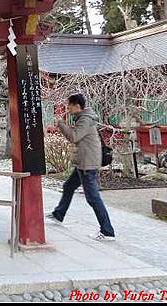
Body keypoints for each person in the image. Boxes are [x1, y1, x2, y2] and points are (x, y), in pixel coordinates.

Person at [46, 93, 116, 241]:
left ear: (77, 106)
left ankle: (107, 230)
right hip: (83, 162)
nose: (68, 108)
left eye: (69, 105)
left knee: (92, 197)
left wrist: (61, 124)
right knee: (68, 186)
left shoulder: (85, 120)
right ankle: (59, 214)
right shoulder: (84, 118)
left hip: (87, 164)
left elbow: (74, 136)